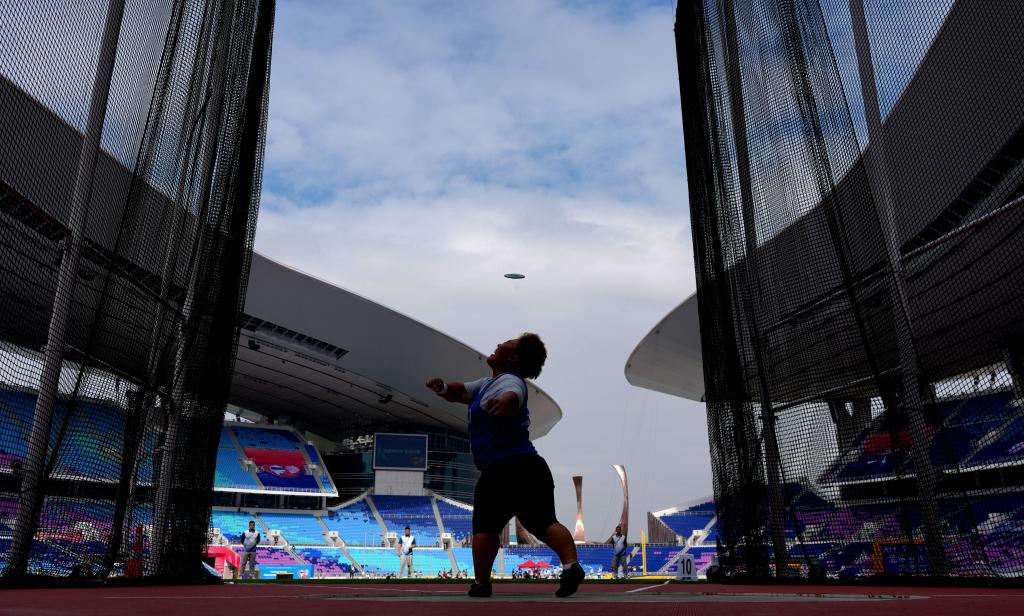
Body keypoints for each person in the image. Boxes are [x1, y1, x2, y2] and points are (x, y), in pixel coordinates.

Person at [426, 333, 584, 598]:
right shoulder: (486, 384)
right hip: (530, 466)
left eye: (506, 344)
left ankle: (481, 583)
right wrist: (442, 388)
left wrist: (504, 404)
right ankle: (571, 565)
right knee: (544, 522)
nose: (499, 344)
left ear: (513, 357)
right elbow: (460, 392)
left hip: (502, 468)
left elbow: (513, 397)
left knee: (485, 526)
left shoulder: (510, 381)